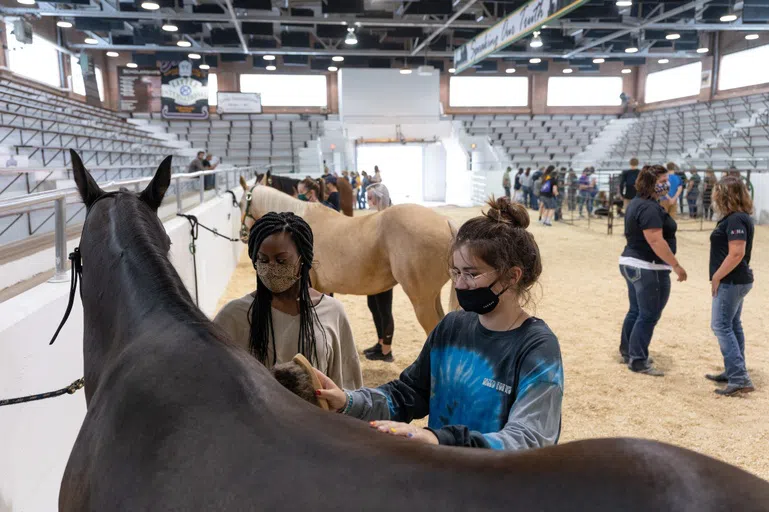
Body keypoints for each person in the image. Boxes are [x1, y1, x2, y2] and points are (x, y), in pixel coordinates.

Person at [316, 197, 563, 451]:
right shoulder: (451, 327)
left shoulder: (537, 347)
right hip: (442, 475)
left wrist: (441, 439)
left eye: (472, 274)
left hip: (498, 485)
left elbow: (529, 438)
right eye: (456, 272)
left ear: (512, 276)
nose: (459, 284)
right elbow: (406, 393)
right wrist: (349, 400)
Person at [214, 212, 363, 389]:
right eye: (263, 259)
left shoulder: (332, 312)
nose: (271, 268)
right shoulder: (234, 316)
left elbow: (348, 385)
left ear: (302, 259)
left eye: (281, 260)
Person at [619, 165, 687, 377]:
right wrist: (676, 265)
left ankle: (628, 351)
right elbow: (656, 241)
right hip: (649, 267)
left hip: (632, 262)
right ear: (651, 183)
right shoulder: (649, 207)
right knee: (648, 314)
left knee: (636, 310)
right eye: (663, 180)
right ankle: (638, 360)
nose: (667, 183)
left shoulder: (638, 203)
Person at [706, 177, 755, 396]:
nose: (714, 196)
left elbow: (737, 253)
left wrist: (716, 276)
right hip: (736, 280)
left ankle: (739, 378)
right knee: (733, 325)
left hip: (731, 280)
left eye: (717, 192)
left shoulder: (735, 219)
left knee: (721, 325)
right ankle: (734, 369)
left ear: (725, 195)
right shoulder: (736, 217)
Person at [361, 183, 396, 363]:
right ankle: (380, 343)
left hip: (383, 272)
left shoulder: (388, 219)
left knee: (384, 310)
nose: (367, 201)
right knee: (374, 306)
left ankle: (386, 351)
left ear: (378, 198)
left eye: (370, 198)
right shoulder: (377, 217)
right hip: (372, 272)